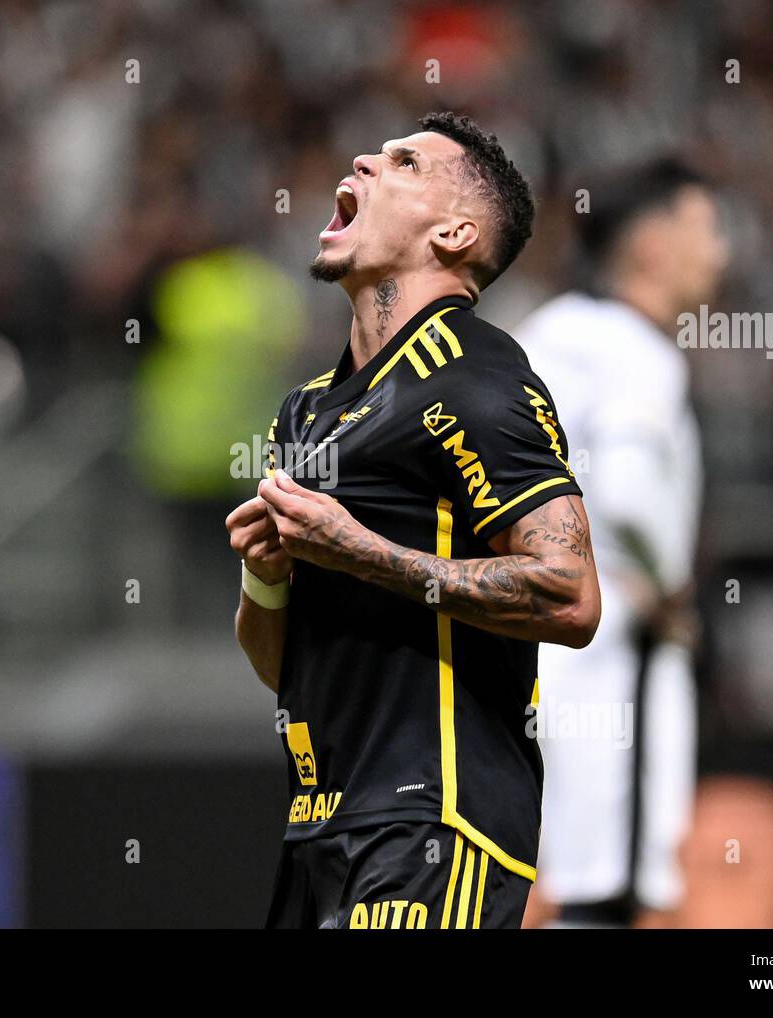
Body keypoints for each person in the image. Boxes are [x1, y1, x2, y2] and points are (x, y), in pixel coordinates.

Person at [225, 112, 600, 929]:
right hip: (319, 830)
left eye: (403, 162)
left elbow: (570, 594)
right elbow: (277, 664)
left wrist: (362, 553)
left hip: (434, 827)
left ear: (456, 233)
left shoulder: (475, 373)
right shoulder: (307, 412)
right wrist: (269, 578)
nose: (363, 157)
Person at [516, 158, 729, 927]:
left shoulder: (543, 335)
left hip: (521, 655)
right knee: (603, 892)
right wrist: (670, 588)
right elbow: (632, 491)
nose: (722, 251)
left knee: (536, 881)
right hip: (611, 667)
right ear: (649, 246)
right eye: (704, 227)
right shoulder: (638, 353)